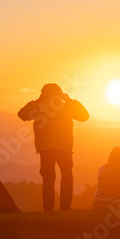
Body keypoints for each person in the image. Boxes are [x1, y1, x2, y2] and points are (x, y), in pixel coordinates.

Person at [18, 83, 89, 211]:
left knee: (48, 179)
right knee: (67, 175)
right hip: (64, 147)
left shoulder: (38, 107)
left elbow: (22, 114)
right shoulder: (67, 106)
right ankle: (65, 207)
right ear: (59, 94)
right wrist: (69, 100)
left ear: (43, 94)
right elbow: (85, 116)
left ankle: (48, 208)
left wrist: (38, 100)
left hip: (45, 149)